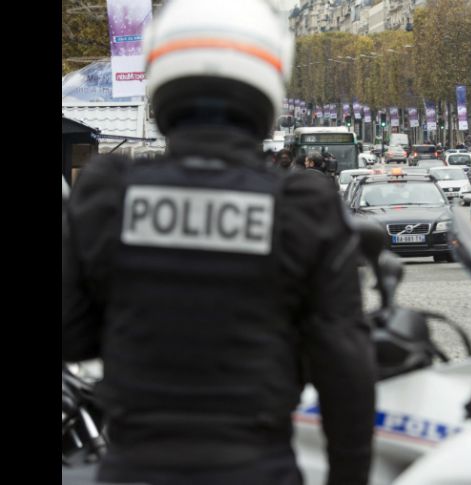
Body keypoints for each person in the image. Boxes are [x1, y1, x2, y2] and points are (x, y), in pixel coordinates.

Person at [61, 1, 375, 484]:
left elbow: (73, 334)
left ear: (159, 77)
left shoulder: (110, 196)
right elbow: (344, 368)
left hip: (135, 467)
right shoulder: (300, 208)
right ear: (270, 83)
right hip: (257, 467)